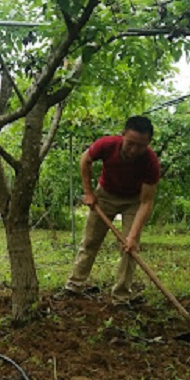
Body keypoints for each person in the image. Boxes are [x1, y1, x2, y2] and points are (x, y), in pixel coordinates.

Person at [64, 116, 160, 305]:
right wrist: (88, 193)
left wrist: (132, 236)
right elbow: (85, 160)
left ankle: (121, 297)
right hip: (106, 195)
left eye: (140, 146)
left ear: (148, 143)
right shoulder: (107, 145)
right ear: (123, 135)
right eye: (130, 143)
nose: (134, 150)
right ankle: (74, 285)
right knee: (90, 241)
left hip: (133, 201)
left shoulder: (151, 162)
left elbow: (146, 202)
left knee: (130, 249)